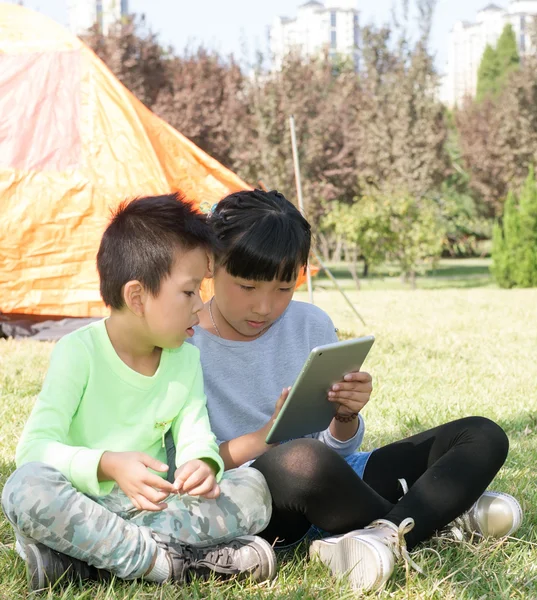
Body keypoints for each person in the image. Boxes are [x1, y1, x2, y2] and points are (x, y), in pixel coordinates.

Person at [168, 188, 523, 593]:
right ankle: (432, 519)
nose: (265, 307)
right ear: (212, 264)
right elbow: (187, 470)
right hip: (256, 497)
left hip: (333, 481)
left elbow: (337, 452)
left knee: (481, 434)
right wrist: (268, 437)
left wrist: (345, 418)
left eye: (284, 289)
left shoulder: (310, 323)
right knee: (300, 459)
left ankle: (381, 536)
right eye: (247, 287)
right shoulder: (183, 339)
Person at [1, 194, 277, 594]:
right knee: (24, 488)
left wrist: (202, 463)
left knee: (254, 490)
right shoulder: (78, 353)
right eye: (188, 293)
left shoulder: (185, 360)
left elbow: (196, 432)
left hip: (157, 509)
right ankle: (171, 564)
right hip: (84, 504)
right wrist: (107, 464)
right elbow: (33, 450)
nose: (200, 308)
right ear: (136, 297)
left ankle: (86, 562)